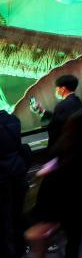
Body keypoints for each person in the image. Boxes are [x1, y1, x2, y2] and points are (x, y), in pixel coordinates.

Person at [25, 111, 82, 258]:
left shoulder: (61, 145)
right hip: (75, 208)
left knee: (52, 239)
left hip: (57, 205)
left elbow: (56, 166)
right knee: (74, 242)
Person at [28, 75, 82, 155]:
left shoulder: (62, 106)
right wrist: (42, 111)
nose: (56, 91)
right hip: (75, 146)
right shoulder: (78, 102)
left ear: (62, 89)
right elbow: (60, 119)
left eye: (57, 88)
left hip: (63, 150)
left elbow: (54, 128)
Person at [0, 109, 27, 258]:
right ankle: (21, 248)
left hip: (3, 179)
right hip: (17, 173)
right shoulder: (14, 120)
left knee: (5, 221)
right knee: (18, 214)